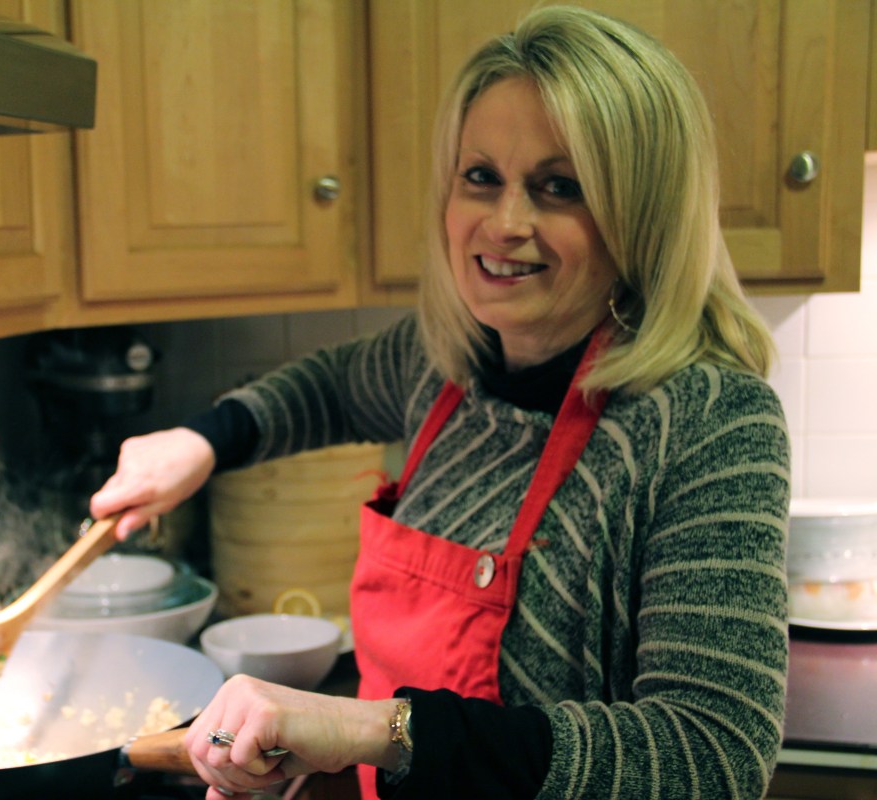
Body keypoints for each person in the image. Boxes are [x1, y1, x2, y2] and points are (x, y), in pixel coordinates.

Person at [89, 6, 790, 799]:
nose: (506, 222)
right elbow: (328, 386)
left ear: (644, 215)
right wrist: (204, 441)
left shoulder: (709, 422)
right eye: (481, 177)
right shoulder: (443, 364)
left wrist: (372, 731)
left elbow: (713, 752)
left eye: (560, 187)